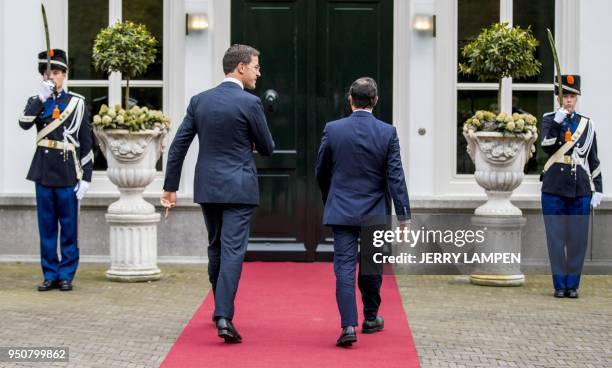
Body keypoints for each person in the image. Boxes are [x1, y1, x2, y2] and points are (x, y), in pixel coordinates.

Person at [161, 44, 274, 343]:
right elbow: (268, 147)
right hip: (239, 186)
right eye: (255, 66)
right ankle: (224, 315)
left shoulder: (200, 101)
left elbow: (178, 147)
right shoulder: (251, 103)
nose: (258, 73)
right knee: (233, 250)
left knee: (215, 246)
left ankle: (219, 308)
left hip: (208, 186)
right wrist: (250, 141)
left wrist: (170, 187)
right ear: (240, 67)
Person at [315, 77, 411, 347]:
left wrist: (330, 196)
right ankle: (370, 317)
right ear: (375, 100)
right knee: (372, 266)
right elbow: (396, 177)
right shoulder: (387, 132)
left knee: (343, 268)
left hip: (342, 209)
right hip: (375, 211)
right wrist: (404, 216)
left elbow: (320, 170)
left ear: (350, 100)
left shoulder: (333, 130)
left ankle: (348, 326)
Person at [18, 49, 93, 292]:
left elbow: (86, 141)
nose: (54, 77)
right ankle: (49, 273)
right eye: (50, 73)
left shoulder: (76, 103)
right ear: (43, 76)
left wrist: (87, 177)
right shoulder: (38, 100)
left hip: (68, 170)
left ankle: (66, 274)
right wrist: (40, 98)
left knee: (69, 227)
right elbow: (23, 123)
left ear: (64, 75)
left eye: (58, 72)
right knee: (47, 226)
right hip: (43, 169)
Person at [540, 74, 603, 298]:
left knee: (577, 240)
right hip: (554, 188)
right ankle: (559, 285)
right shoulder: (550, 120)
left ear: (576, 98)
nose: (569, 100)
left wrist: (598, 187)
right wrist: (557, 123)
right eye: (565, 96)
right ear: (559, 98)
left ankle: (572, 285)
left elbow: (593, 158)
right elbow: (545, 147)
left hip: (580, 189)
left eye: (572, 96)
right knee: (556, 240)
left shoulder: (586, 123)